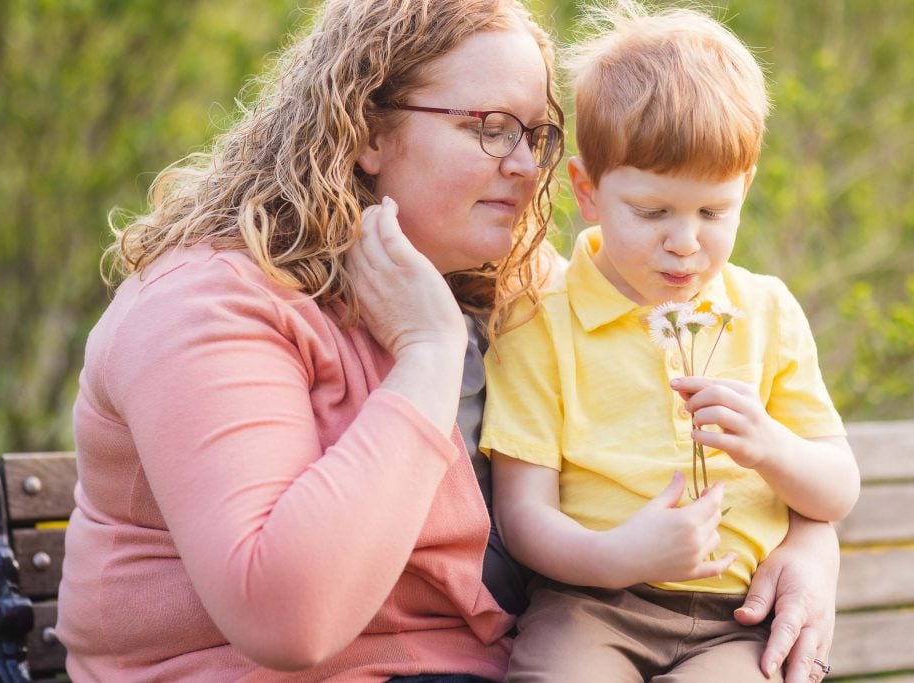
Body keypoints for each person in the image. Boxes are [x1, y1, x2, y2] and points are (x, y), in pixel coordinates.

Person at [56, 0, 843, 681]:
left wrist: (810, 549)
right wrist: (428, 356)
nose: (527, 166)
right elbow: (286, 621)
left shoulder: (511, 290)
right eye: (492, 129)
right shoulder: (206, 306)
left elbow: (737, 437)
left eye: (536, 134)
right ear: (367, 129)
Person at [481, 2, 860, 681]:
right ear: (587, 191)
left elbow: (836, 489)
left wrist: (771, 445)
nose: (685, 242)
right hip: (593, 604)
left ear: (745, 187)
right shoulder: (542, 318)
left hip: (737, 622)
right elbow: (523, 514)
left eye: (714, 211)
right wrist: (623, 555)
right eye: (652, 211)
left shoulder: (764, 310)